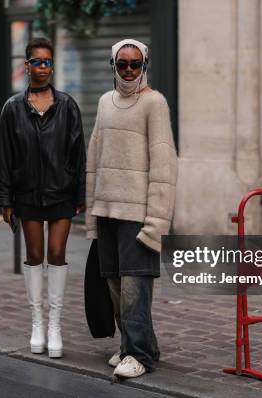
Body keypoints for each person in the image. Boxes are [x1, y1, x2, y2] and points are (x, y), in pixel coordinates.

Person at [85, 38, 177, 378]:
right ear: (112, 65)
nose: (127, 70)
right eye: (121, 63)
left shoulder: (155, 103)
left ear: (144, 65)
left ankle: (138, 354)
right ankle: (135, 346)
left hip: (137, 212)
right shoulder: (104, 102)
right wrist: (92, 212)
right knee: (113, 284)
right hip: (107, 208)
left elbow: (164, 165)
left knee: (134, 285)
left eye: (134, 64)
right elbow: (94, 157)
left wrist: (156, 221)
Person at [0, 37, 86, 359]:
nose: (43, 67)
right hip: (27, 194)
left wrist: (80, 193)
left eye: (48, 61)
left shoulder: (67, 105)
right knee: (35, 254)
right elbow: (4, 157)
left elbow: (79, 153)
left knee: (58, 252)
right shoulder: (12, 108)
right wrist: (5, 199)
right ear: (27, 66)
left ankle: (55, 325)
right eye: (37, 61)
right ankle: (37, 323)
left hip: (61, 192)